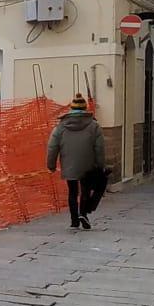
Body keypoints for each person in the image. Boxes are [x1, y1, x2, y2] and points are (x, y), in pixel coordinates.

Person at [46, 94, 107, 229]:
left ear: (71, 109)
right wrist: (100, 164)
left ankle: (74, 220)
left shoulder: (60, 127)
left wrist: (51, 165)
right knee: (85, 190)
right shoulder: (94, 126)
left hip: (69, 164)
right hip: (88, 164)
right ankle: (83, 213)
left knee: (72, 191)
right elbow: (100, 148)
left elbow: (52, 147)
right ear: (85, 109)